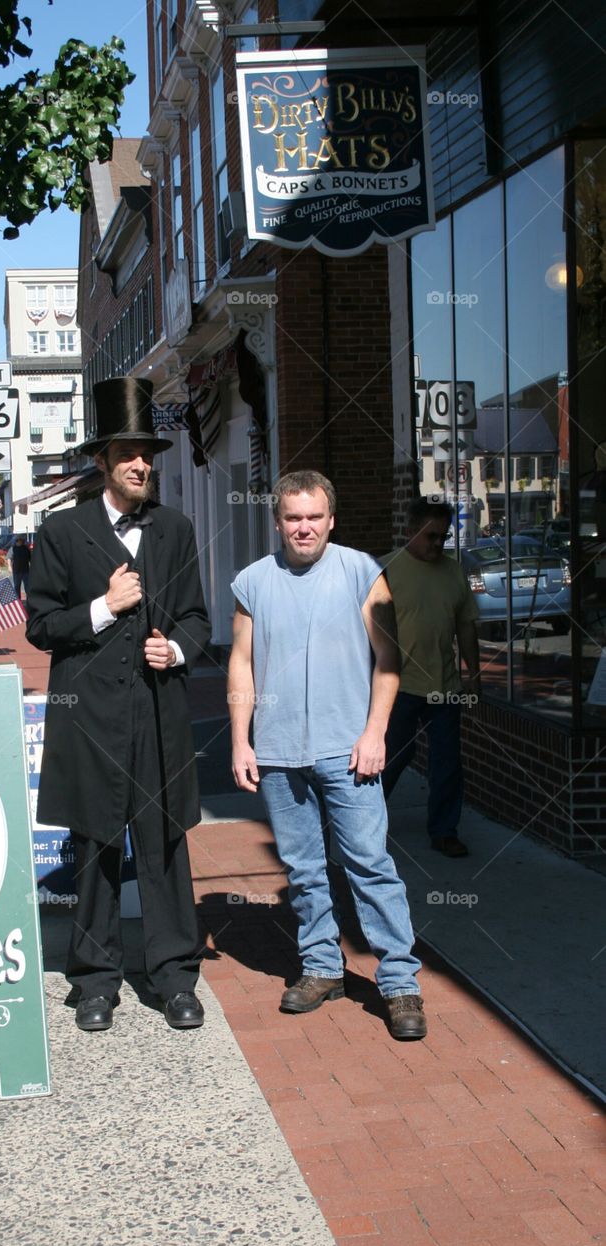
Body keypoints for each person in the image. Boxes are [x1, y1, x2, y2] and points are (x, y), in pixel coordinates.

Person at [26, 377, 211, 1033]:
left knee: (162, 846)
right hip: (91, 722)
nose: (141, 464)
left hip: (158, 717)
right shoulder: (62, 533)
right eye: (128, 454)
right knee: (96, 847)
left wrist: (179, 651)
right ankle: (96, 980)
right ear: (101, 459)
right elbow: (41, 625)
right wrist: (105, 608)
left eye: (148, 454)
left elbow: (195, 617)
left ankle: (172, 977)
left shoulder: (174, 529)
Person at [229, 470, 426, 1041]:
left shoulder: (364, 572)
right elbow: (241, 663)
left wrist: (376, 733)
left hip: (349, 751)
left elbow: (390, 658)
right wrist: (242, 739)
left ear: (331, 519)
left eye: (314, 516)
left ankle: (399, 983)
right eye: (293, 517)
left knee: (370, 865)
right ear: (278, 522)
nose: (304, 527)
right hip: (279, 750)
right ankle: (320, 968)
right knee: (304, 869)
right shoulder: (252, 582)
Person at [381, 497, 481, 858]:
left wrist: (474, 672)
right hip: (398, 686)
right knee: (390, 758)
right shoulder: (385, 570)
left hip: (446, 686)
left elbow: (465, 625)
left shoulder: (453, 570)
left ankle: (444, 831)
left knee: (447, 762)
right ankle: (366, 825)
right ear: (410, 531)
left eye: (443, 537)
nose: (438, 544)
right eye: (430, 536)